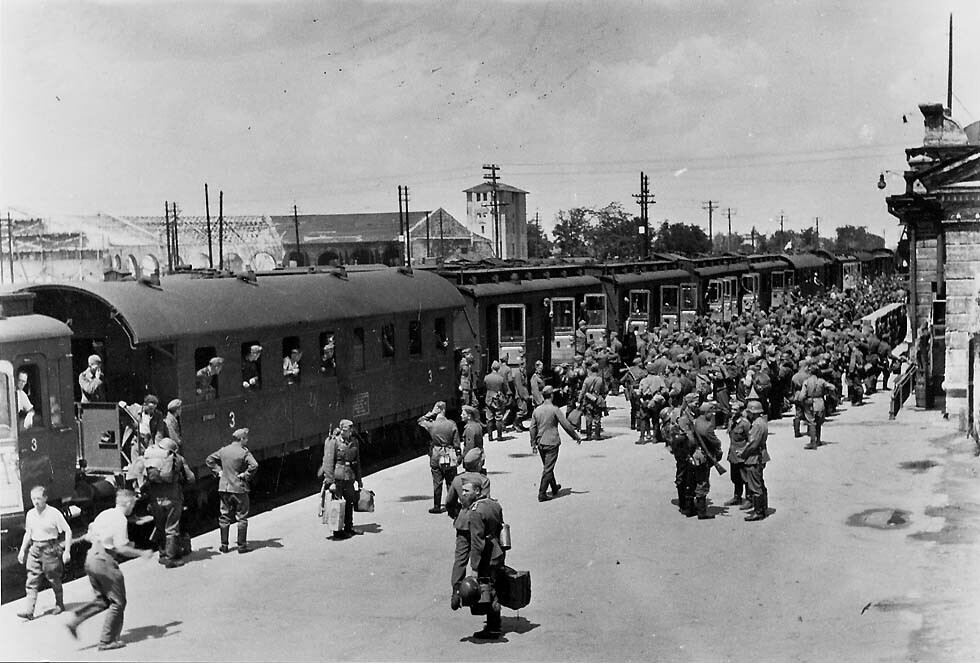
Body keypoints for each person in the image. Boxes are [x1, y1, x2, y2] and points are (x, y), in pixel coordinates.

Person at [65, 489, 154, 651]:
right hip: (104, 561)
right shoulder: (121, 520)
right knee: (118, 602)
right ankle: (107, 641)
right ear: (127, 503)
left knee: (103, 600)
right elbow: (120, 548)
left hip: (91, 558)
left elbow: (90, 535)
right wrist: (142, 552)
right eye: (133, 503)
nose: (133, 507)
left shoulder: (104, 514)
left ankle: (75, 621)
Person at [455, 480, 506, 639]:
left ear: (477, 492)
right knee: (494, 585)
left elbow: (477, 543)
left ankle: (493, 628)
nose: (463, 494)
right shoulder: (493, 504)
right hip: (497, 550)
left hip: (487, 556)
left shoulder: (475, 512)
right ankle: (494, 624)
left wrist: (474, 568)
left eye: (467, 491)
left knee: (488, 590)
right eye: (462, 491)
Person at [17, 486, 72, 620]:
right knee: (32, 579)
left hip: (50, 548)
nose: (36, 502)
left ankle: (59, 604)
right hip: (35, 548)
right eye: (33, 499)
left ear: (45, 498)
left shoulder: (54, 513)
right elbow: (28, 532)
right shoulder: (30, 514)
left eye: (38, 498)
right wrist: (22, 550)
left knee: (54, 578)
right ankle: (29, 610)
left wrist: (67, 551)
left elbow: (68, 531)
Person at [446, 449, 492, 610]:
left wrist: (457, 515)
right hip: (478, 524)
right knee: (479, 554)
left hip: (462, 523)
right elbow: (483, 504)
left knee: (460, 558)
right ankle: (476, 585)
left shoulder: (458, 480)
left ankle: (456, 590)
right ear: (479, 463)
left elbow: (449, 502)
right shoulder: (484, 480)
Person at [139, 438, 194, 567]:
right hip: (172, 498)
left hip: (154, 499)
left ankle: (162, 555)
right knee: (171, 528)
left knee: (160, 527)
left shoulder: (149, 457)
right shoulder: (177, 458)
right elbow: (190, 478)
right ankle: (171, 558)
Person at [205, 428, 259, 553]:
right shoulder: (244, 452)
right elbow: (254, 465)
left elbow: (209, 460)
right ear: (241, 439)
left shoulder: (224, 450)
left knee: (224, 516)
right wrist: (245, 475)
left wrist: (219, 471)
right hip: (239, 488)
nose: (247, 440)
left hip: (224, 488)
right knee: (242, 517)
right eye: (246, 438)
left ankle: (224, 545)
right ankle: (241, 546)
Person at [529, 385, 581, 502]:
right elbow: (566, 425)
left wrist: (533, 443)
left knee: (548, 466)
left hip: (541, 442)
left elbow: (532, 428)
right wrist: (575, 436)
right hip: (552, 442)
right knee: (548, 468)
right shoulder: (555, 409)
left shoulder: (537, 410)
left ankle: (554, 487)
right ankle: (542, 493)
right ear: (551, 395)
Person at [318, 419, 363, 539]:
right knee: (337, 504)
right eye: (343, 430)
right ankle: (337, 530)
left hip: (349, 477)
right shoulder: (334, 442)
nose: (345, 432)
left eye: (347, 430)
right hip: (337, 478)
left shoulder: (354, 442)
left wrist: (359, 480)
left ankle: (349, 527)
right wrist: (330, 481)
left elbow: (357, 462)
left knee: (349, 502)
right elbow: (328, 463)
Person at [418, 401, 461, 514]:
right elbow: (456, 442)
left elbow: (420, 421)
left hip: (436, 454)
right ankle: (452, 504)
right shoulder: (451, 424)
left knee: (437, 481)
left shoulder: (432, 424)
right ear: (444, 410)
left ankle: (437, 506)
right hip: (448, 453)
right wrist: (458, 454)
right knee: (450, 480)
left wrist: (430, 413)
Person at [741, 400, 770, 521]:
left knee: (755, 485)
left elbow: (753, 443)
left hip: (754, 457)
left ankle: (758, 511)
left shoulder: (757, 425)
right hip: (760, 455)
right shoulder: (762, 422)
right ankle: (762, 508)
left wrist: (743, 453)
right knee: (759, 483)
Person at [724, 402, 750, 508]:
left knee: (746, 478)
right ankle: (737, 497)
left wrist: (745, 452)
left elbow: (750, 439)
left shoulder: (745, 423)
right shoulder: (732, 421)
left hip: (742, 454)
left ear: (740, 410)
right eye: (732, 409)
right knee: (735, 477)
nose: (733, 412)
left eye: (735, 410)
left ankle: (749, 498)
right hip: (733, 454)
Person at [578, 362, 607, 440]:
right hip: (597, 400)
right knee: (597, 417)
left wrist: (579, 400)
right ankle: (597, 435)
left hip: (588, 401)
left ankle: (589, 435)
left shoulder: (587, 380)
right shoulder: (600, 379)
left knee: (588, 417)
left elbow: (583, 391)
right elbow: (604, 390)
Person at [483, 361, 508, 441]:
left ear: (491, 368)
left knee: (489, 418)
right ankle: (499, 436)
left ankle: (490, 436)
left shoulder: (486, 377)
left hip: (489, 398)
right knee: (498, 417)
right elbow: (505, 389)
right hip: (498, 399)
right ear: (498, 368)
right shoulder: (501, 378)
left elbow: (484, 387)